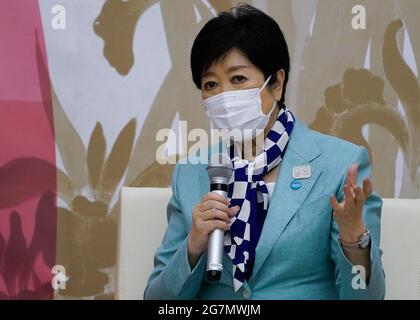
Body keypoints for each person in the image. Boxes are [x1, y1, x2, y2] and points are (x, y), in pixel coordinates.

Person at [144, 4, 385, 300]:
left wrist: (353, 239)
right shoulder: (192, 172)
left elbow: (367, 298)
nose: (224, 96)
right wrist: (194, 245)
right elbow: (158, 300)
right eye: (210, 84)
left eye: (238, 79)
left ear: (277, 83)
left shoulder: (340, 165)